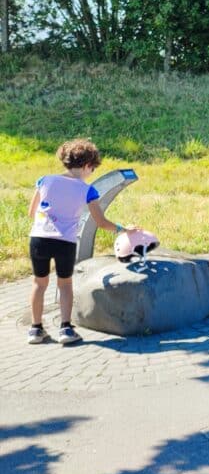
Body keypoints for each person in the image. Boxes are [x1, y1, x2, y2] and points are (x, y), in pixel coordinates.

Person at [27, 139, 133, 345]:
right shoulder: (87, 190)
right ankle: (66, 329)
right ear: (86, 165)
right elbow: (101, 222)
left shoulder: (44, 181)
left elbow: (32, 212)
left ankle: (35, 330)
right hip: (65, 242)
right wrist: (123, 229)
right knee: (65, 284)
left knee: (39, 284)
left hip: (39, 238)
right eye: (92, 169)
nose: (91, 173)